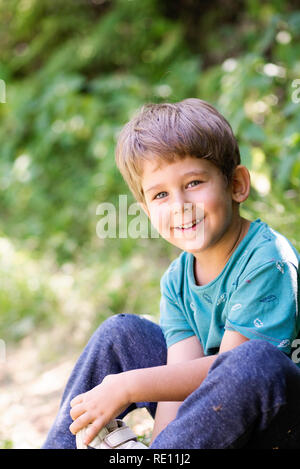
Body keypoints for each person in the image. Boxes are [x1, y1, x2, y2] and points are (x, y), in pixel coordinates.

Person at [42, 98, 300, 449]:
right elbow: (178, 391)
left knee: (251, 361)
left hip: (280, 423)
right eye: (160, 194)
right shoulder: (178, 280)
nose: (179, 205)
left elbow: (230, 373)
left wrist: (129, 385)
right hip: (219, 421)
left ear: (237, 184)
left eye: (194, 183)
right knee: (121, 333)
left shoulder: (267, 260)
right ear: (147, 212)